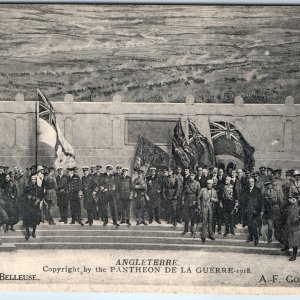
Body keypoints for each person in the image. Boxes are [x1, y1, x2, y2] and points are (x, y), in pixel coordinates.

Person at [242, 177, 263, 246]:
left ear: (254, 182)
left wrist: (260, 210)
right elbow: (243, 201)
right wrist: (244, 209)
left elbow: (261, 201)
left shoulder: (258, 190)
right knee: (249, 225)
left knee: (254, 225)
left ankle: (256, 239)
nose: (250, 183)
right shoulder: (246, 190)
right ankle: (251, 237)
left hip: (255, 211)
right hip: (248, 211)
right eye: (249, 182)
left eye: (252, 181)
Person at [263, 179, 284, 243]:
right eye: (268, 185)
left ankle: (278, 237)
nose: (269, 186)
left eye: (270, 185)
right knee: (270, 225)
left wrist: (281, 209)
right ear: (266, 186)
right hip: (269, 210)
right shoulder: (265, 193)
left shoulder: (276, 192)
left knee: (277, 224)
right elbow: (263, 202)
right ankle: (269, 238)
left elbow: (280, 201)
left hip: (276, 209)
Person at [23, 175, 43, 240]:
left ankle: (33, 232)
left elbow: (41, 196)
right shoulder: (27, 187)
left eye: (34, 179)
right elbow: (23, 195)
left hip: (35, 206)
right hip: (28, 206)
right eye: (32, 179)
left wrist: (38, 200)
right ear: (30, 180)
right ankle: (27, 233)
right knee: (27, 219)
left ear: (36, 180)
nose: (33, 180)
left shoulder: (39, 188)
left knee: (35, 219)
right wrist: (29, 197)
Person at [283, 196, 300, 261]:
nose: (290, 200)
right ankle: (292, 254)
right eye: (290, 199)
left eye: (292, 199)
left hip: (296, 226)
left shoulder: (298, 207)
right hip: (289, 226)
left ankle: (294, 256)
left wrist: (298, 219)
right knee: (292, 240)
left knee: (295, 241)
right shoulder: (289, 206)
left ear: (295, 199)